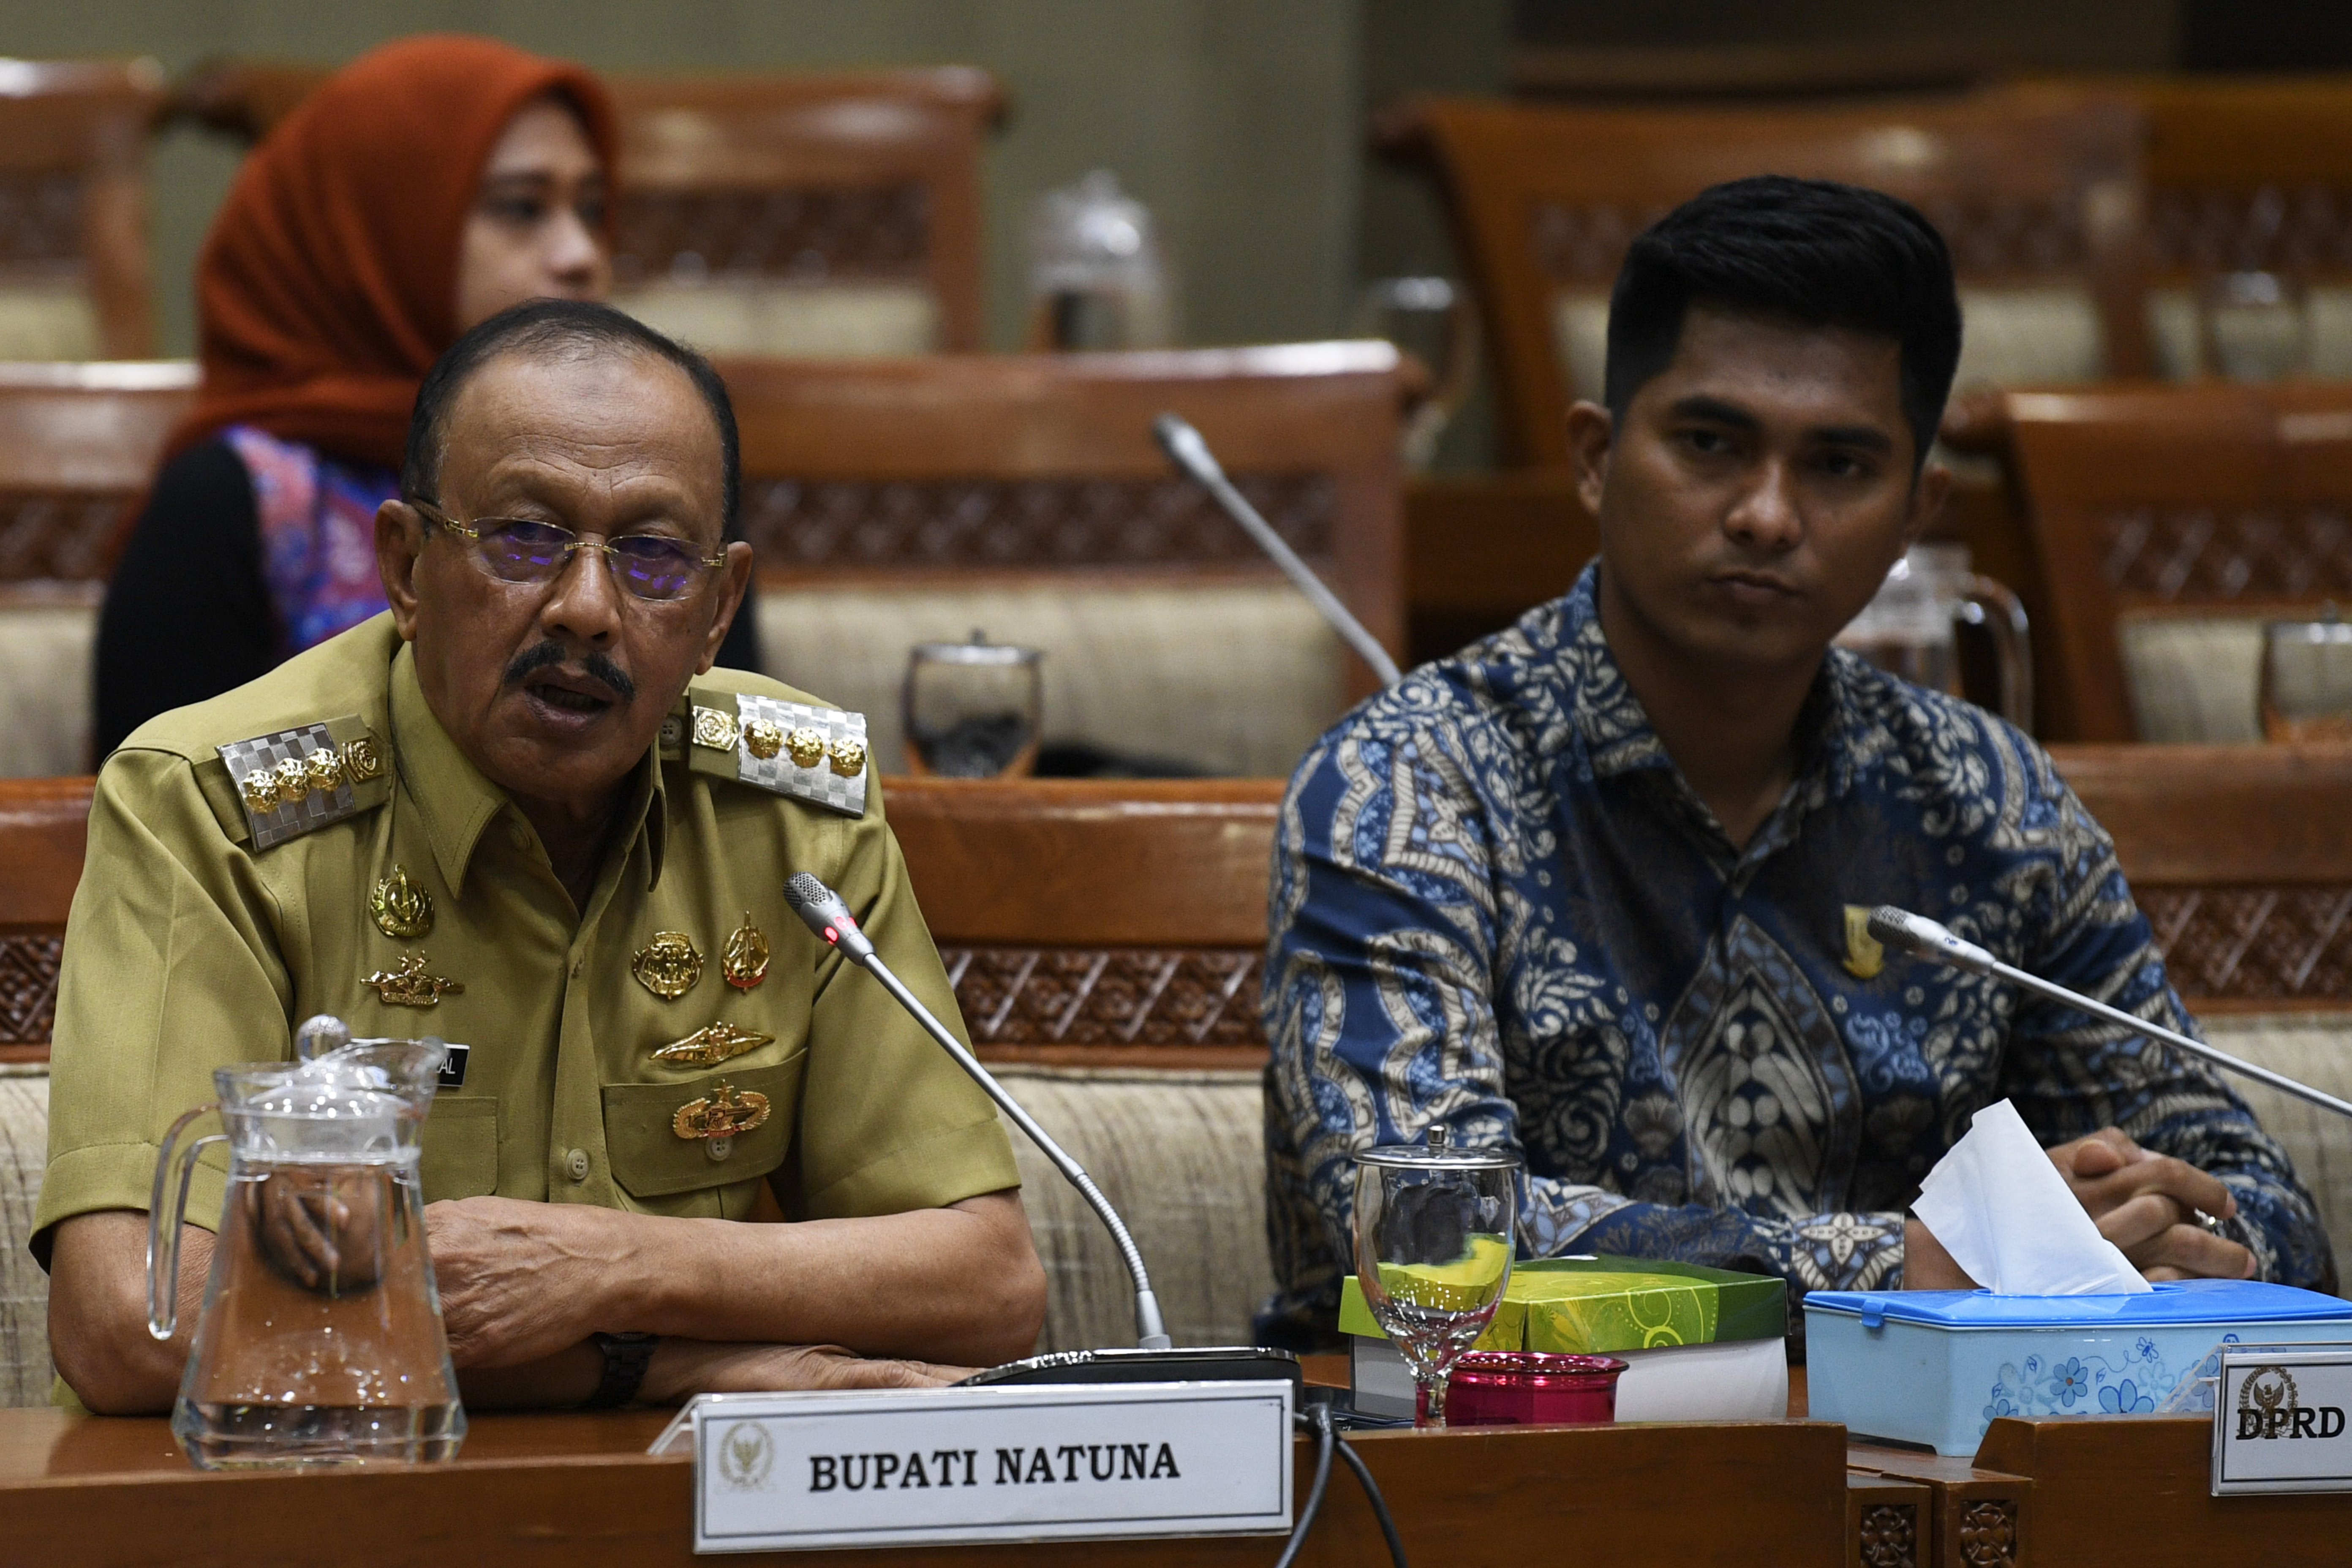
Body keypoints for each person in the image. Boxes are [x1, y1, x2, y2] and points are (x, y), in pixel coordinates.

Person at [1258, 176, 2335, 1347]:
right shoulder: (1409, 785)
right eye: (1711, 443)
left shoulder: (1993, 804)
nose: (1768, 515)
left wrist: (2152, 1235)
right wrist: (1917, 1262)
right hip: (1494, 1482)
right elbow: (1425, 1230)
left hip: (1929, 1478)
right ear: (1594, 457)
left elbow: (2262, 1208)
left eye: (1837, 466)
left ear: (1917, 508)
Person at [39, 299, 1045, 1413]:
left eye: (655, 559)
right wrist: (662, 1363)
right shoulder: (209, 810)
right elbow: (129, 1318)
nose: (585, 609)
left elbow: (987, 1285)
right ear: (408, 567)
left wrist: (616, 1270)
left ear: (719, 612)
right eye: (524, 539)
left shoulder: (793, 818)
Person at [94, 34, 756, 760]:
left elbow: (725, 786)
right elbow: (164, 820)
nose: (581, 254)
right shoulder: (231, 501)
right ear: (380, 232)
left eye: (592, 209)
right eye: (523, 208)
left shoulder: (662, 482)